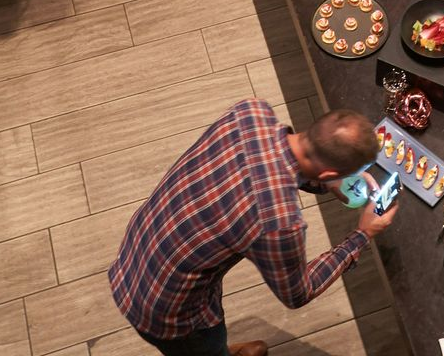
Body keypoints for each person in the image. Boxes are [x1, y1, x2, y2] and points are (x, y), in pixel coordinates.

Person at [109, 101, 392, 356]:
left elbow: (272, 165)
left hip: (138, 245)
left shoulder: (251, 113)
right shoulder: (280, 222)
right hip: (164, 308)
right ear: (331, 173)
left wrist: (324, 183)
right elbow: (298, 293)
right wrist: (362, 235)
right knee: (204, 347)